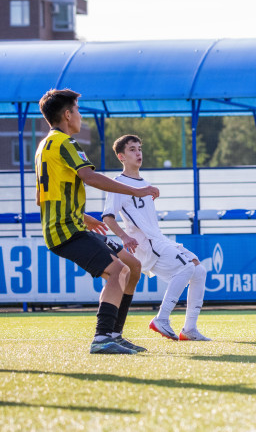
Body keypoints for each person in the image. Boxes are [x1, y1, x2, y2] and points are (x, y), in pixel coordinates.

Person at [35, 89, 159, 354]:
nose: (80, 116)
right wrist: (135, 190)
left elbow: (42, 196)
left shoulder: (43, 146)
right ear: (68, 115)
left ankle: (114, 334)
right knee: (118, 271)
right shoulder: (64, 143)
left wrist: (83, 217)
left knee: (132, 265)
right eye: (78, 110)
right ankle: (103, 338)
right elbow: (90, 177)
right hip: (66, 231)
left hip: (71, 225)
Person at [101, 134, 210, 342]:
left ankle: (189, 329)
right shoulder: (118, 184)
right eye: (132, 149)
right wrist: (124, 236)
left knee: (199, 270)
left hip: (158, 239)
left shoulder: (145, 183)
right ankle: (161, 319)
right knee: (186, 267)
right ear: (121, 156)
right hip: (145, 244)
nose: (138, 153)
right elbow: (107, 216)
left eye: (139, 148)